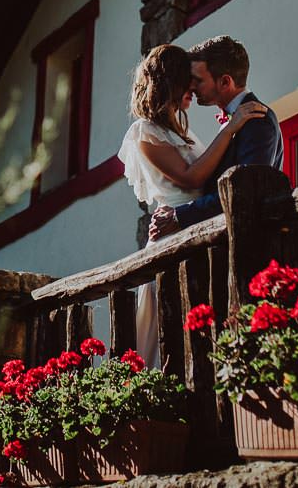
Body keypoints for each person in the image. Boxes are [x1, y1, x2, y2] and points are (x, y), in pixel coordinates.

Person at [116, 43, 266, 366]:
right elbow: (191, 178)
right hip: (172, 235)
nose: (193, 88)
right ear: (168, 81)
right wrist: (231, 126)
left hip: (194, 231)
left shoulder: (184, 133)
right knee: (168, 328)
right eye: (187, 79)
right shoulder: (146, 133)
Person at [148, 35, 282, 241]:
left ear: (225, 82)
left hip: (246, 244)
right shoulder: (235, 120)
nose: (191, 87)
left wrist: (180, 216)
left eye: (198, 80)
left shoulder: (257, 120)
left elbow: (245, 189)